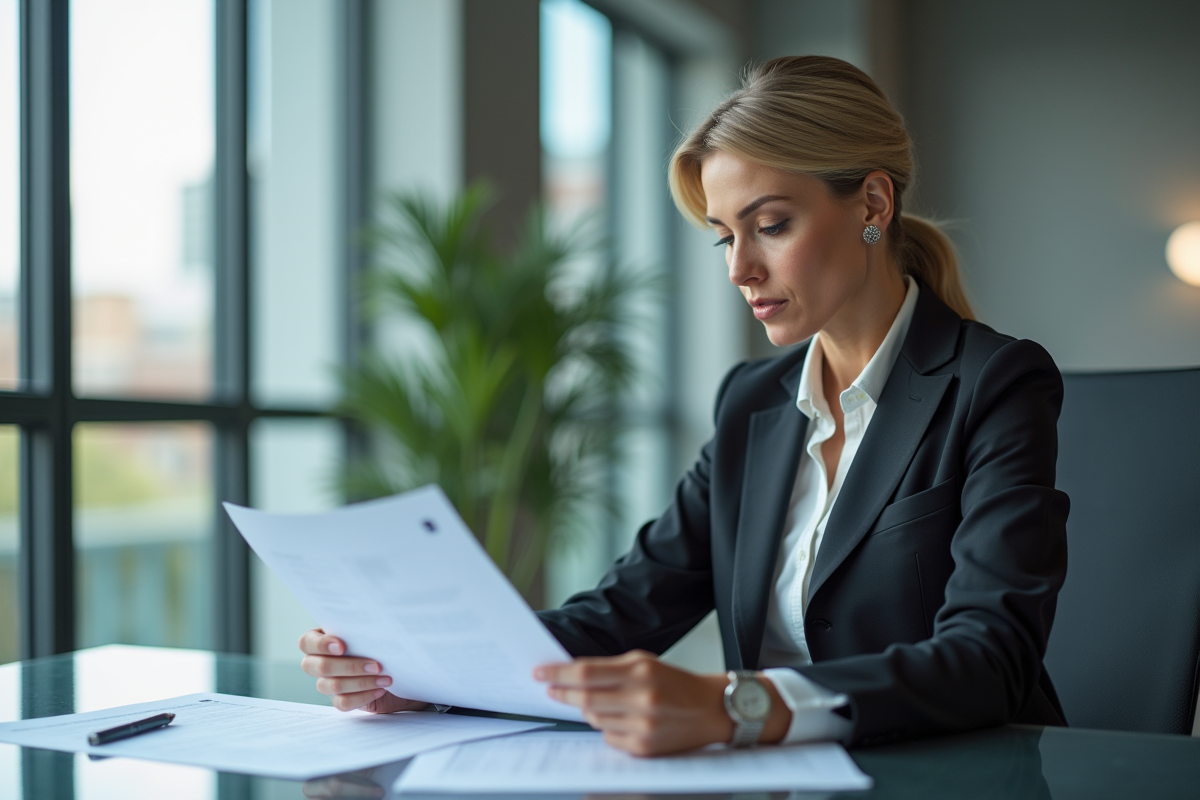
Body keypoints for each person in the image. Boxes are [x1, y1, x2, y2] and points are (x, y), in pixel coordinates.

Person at [298, 55, 1070, 757]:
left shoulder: (994, 383)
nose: (740, 268)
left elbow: (989, 657)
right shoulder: (754, 402)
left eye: (771, 225)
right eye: (722, 237)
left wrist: (734, 705)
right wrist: (426, 671)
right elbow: (624, 611)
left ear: (872, 200)